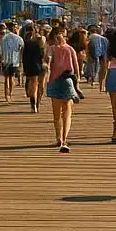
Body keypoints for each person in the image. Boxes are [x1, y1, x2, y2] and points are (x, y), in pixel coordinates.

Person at [44, 25, 80, 153]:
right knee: (67, 114)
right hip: (68, 81)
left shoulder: (51, 48)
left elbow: (47, 62)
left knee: (56, 114)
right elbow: (76, 68)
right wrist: (77, 85)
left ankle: (59, 138)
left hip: (54, 81)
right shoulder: (70, 49)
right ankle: (64, 139)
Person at [21, 24, 46, 113]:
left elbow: (23, 56)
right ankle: (36, 103)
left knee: (33, 84)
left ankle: (33, 104)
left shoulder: (26, 43)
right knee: (39, 85)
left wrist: (24, 68)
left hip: (29, 66)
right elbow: (42, 55)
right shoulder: (40, 41)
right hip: (39, 65)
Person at [0, 22, 22, 102]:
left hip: (5, 60)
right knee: (11, 78)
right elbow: (21, 47)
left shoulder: (3, 38)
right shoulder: (18, 38)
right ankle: (10, 93)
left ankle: (6, 95)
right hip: (14, 60)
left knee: (6, 79)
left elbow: (0, 49)